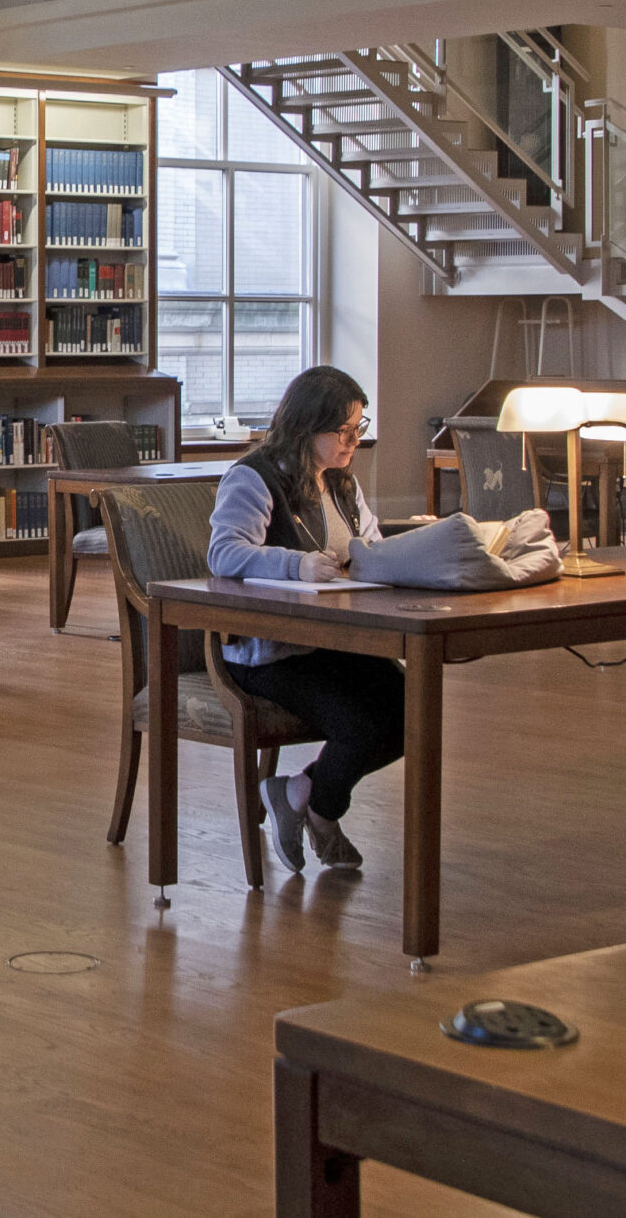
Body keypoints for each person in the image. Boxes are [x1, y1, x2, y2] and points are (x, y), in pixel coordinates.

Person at [205, 364, 399, 877]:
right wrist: (294, 565)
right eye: (343, 430)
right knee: (361, 723)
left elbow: (371, 544)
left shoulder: (341, 484)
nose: (354, 440)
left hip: (332, 640)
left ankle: (297, 792)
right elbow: (224, 554)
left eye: (359, 427)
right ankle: (321, 811)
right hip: (269, 653)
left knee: (412, 709)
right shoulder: (253, 477)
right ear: (306, 426)